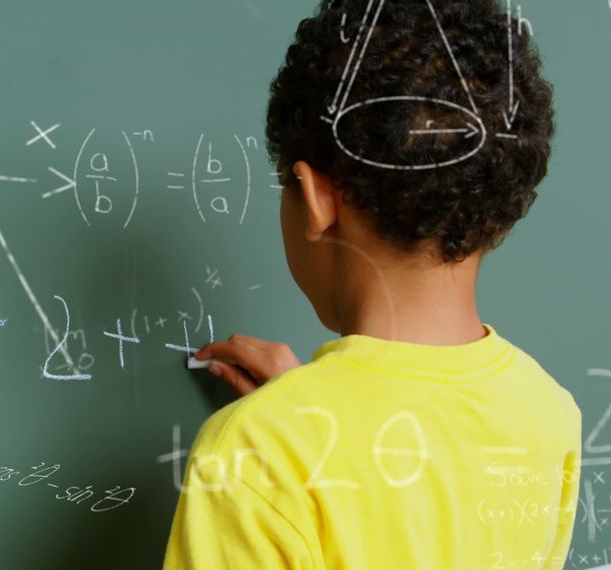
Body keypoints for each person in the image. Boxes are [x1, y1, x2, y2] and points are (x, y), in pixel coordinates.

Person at [162, 0, 582, 567]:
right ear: (497, 199)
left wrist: (293, 432)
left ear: (314, 197)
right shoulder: (550, 416)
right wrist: (307, 419)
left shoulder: (252, 456)